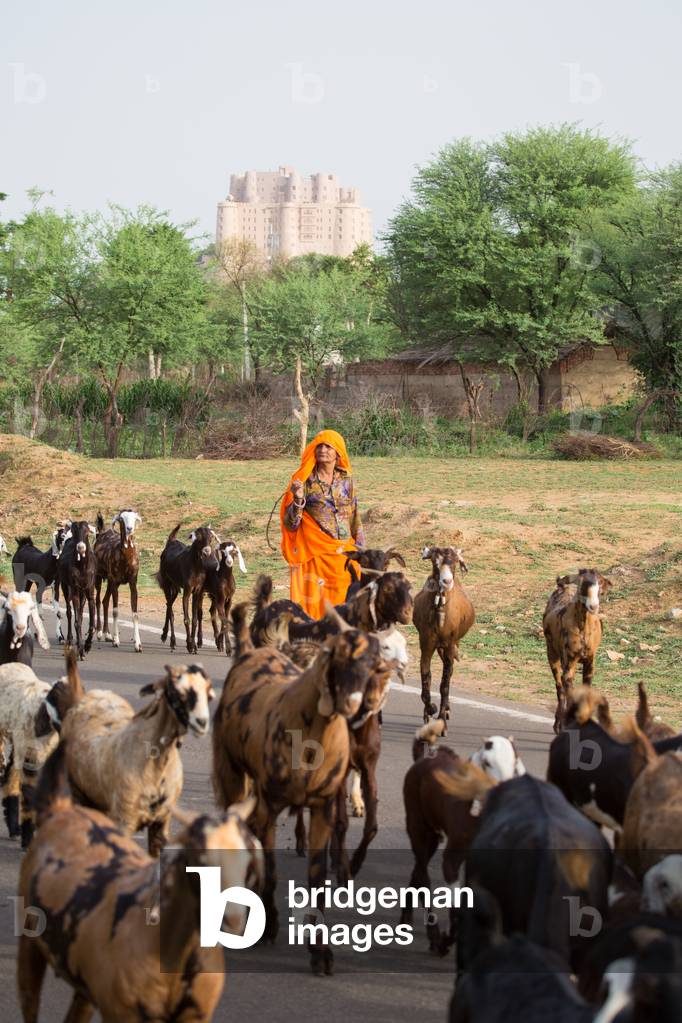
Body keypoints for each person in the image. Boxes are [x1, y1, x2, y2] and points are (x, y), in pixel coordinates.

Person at [280, 429, 365, 619]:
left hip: (343, 555)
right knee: (317, 608)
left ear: (338, 452)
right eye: (319, 446)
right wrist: (299, 499)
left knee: (347, 604)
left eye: (328, 446)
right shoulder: (304, 482)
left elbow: (355, 515)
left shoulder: (346, 479)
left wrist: (362, 550)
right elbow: (291, 524)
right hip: (316, 556)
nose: (323, 450)